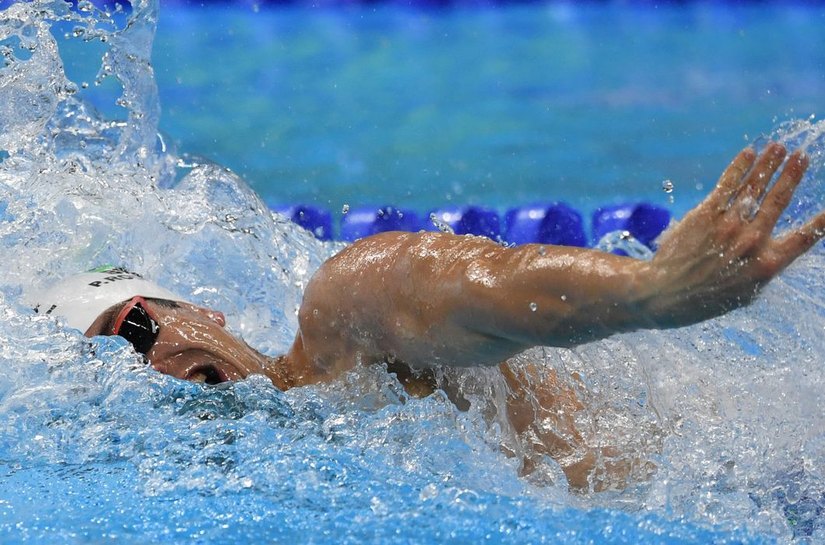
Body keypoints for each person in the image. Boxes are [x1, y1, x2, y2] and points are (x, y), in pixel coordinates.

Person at [27, 142, 824, 491]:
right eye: (108, 379)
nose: (140, 372)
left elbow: (483, 284)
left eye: (130, 329)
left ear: (204, 310)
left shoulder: (342, 321)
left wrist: (654, 293)